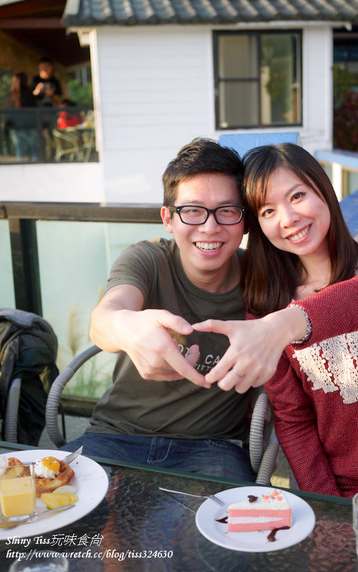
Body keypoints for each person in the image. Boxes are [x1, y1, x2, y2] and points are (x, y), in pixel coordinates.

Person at [195, 142, 358, 509]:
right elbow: (293, 420)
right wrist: (326, 507)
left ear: (324, 190)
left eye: (297, 195)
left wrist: (286, 324)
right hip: (343, 490)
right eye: (268, 210)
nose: (287, 218)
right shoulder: (265, 310)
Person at [61, 138, 256, 482]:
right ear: (168, 218)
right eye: (192, 210)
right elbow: (105, 317)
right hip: (114, 435)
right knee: (58, 514)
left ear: (244, 220)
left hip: (213, 448)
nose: (210, 227)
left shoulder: (264, 280)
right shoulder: (147, 259)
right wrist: (127, 325)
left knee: (229, 529)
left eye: (226, 211)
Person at [5, 72, 38, 161]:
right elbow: (8, 112)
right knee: (21, 151)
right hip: (17, 127)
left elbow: (33, 109)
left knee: (32, 149)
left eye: (16, 81)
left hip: (28, 126)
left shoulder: (27, 94)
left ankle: (35, 169)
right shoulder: (12, 95)